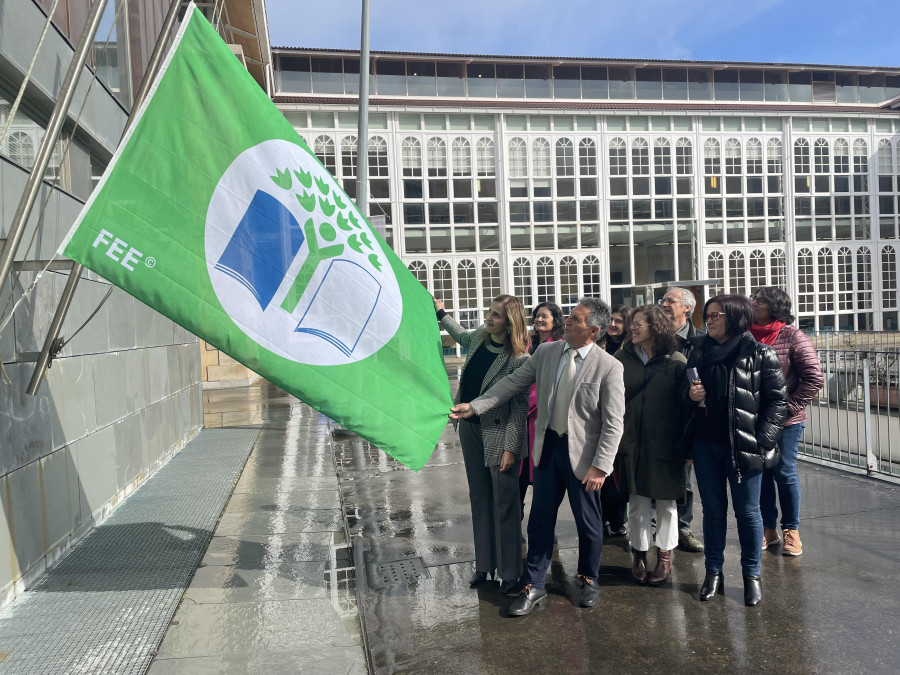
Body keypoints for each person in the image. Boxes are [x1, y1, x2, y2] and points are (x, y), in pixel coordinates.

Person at [451, 298, 625, 615]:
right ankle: (534, 585)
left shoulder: (609, 366)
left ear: (594, 330)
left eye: (575, 319)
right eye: (569, 316)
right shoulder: (546, 352)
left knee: (588, 523)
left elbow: (614, 423)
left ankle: (588, 577)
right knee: (540, 520)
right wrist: (474, 406)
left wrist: (601, 466)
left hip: (583, 458)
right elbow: (512, 384)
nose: (568, 321)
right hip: (547, 449)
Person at [683, 294, 788, 606]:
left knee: (748, 512)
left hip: (744, 447)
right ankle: (713, 572)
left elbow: (778, 402)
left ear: (735, 317)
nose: (710, 320)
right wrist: (690, 394)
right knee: (713, 511)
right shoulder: (698, 350)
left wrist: (763, 441)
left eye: (717, 315)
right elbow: (684, 390)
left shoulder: (760, 353)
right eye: (709, 315)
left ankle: (751, 574)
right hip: (705, 445)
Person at [435, 294, 530, 595]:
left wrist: (512, 448)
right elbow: (460, 334)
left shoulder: (519, 359)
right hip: (471, 430)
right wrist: (441, 314)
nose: (489, 319)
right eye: (490, 313)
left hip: (500, 436)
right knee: (479, 499)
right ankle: (484, 565)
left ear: (510, 322)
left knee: (505, 504)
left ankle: (511, 572)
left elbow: (518, 408)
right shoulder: (478, 338)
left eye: (496, 316)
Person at [615, 306, 688, 587]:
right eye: (632, 324)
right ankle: (640, 554)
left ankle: (665, 556)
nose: (632, 328)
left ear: (655, 327)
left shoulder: (678, 362)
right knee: (637, 502)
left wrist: (688, 449)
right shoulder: (620, 359)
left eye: (639, 324)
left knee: (667, 504)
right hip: (630, 442)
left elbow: (687, 408)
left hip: (667, 444)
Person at [750, 287, 824, 557]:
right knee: (762, 473)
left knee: (783, 471)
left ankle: (791, 530)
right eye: (754, 299)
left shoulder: (792, 335)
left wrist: (788, 409)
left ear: (774, 306)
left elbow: (814, 378)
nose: (754, 303)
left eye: (759, 300)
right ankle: (769, 530)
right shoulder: (745, 334)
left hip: (786, 421)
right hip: (754, 418)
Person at [659, 287, 705, 554]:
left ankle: (683, 528)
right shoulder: (653, 338)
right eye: (662, 300)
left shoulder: (699, 341)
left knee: (683, 479)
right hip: (655, 415)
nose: (664, 304)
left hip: (685, 419)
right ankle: (655, 527)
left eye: (670, 301)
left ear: (687, 308)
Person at [521, 302, 565, 513]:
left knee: (540, 468)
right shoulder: (527, 342)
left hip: (542, 414)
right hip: (522, 414)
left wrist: (529, 401)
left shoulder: (560, 344)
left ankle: (544, 516)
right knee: (520, 469)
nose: (539, 319)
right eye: (537, 315)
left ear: (555, 320)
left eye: (544, 316)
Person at [597, 304, 632, 536]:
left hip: (621, 415)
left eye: (618, 321)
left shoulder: (629, 349)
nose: (612, 325)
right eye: (610, 320)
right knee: (600, 472)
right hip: (596, 415)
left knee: (618, 475)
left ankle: (618, 519)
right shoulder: (598, 345)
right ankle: (600, 519)